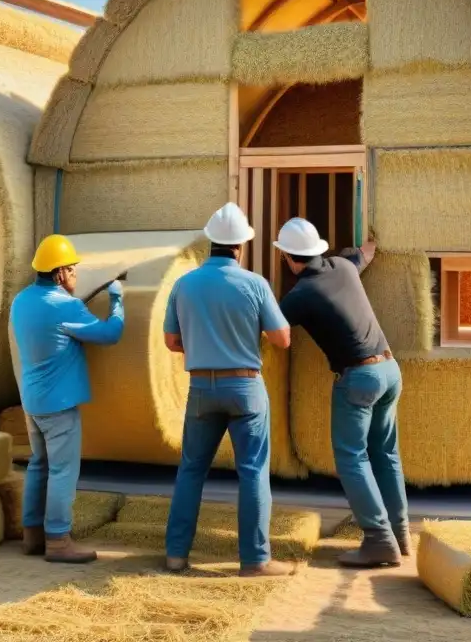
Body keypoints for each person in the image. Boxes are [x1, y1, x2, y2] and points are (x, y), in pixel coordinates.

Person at [162, 202, 293, 577]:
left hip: (201, 387)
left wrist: (204, 345)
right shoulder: (254, 284)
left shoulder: (183, 284)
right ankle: (255, 561)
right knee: (252, 472)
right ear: (241, 246)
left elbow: (172, 342)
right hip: (245, 386)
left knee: (191, 470)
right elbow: (282, 339)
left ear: (210, 243)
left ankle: (176, 556)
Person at [273, 218, 408, 568]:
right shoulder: (343, 265)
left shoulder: (300, 295)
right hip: (390, 370)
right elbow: (366, 253)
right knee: (386, 454)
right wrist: (374, 237)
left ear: (288, 258)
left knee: (352, 458)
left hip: (360, 379)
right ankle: (400, 533)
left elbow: (274, 332)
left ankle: (379, 541)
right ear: (319, 249)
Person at [9, 234, 125, 564]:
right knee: (62, 471)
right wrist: (117, 299)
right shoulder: (64, 306)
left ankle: (32, 536)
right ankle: (58, 542)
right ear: (59, 273)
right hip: (58, 405)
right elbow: (109, 334)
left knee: (39, 465)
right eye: (72, 270)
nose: (75, 275)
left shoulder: (22, 300)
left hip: (32, 401)